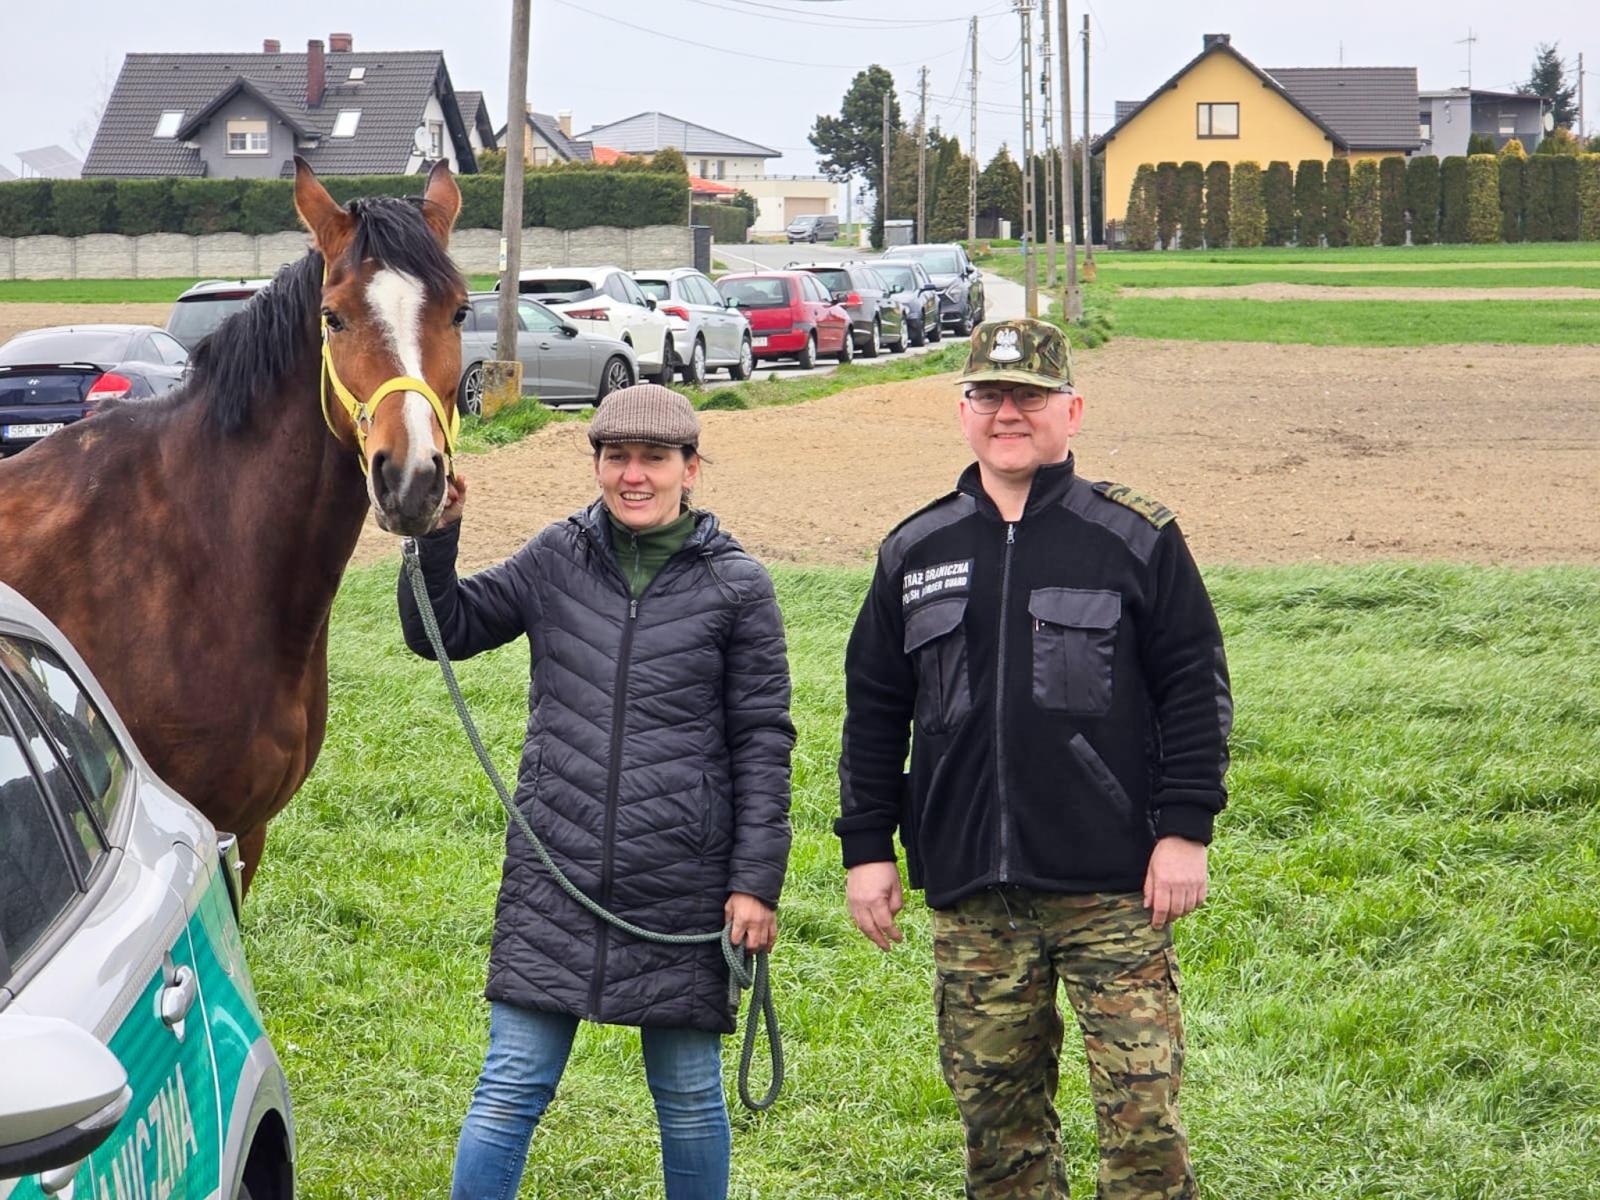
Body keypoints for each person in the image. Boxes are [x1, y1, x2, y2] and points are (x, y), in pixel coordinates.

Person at [835, 319, 1232, 1199]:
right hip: (976, 893)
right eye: (988, 396)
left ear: (1072, 411)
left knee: (1143, 1120)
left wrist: (1185, 831)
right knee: (998, 1128)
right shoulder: (915, 549)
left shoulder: (1134, 537)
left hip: (1113, 888)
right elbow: (874, 711)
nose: (1008, 413)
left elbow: (1195, 687)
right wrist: (867, 851)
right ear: (964, 412)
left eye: (1030, 397)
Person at [398, 383, 794, 1200]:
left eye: (654, 459)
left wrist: (755, 882)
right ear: (598, 466)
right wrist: (437, 536)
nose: (634, 476)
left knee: (688, 1101)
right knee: (508, 1088)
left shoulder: (737, 587)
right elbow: (443, 630)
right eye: (617, 458)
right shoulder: (555, 557)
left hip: (680, 886)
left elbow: (764, 740)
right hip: (559, 872)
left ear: (692, 468)